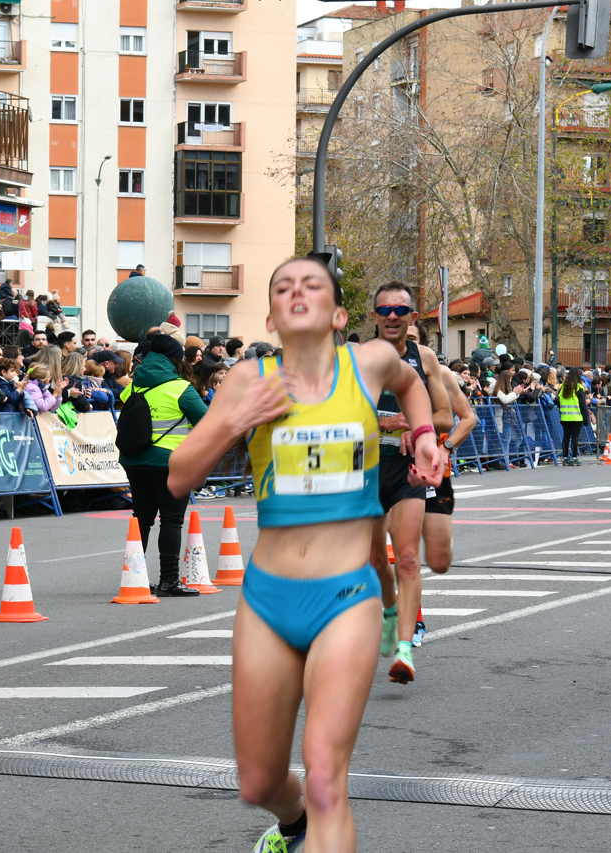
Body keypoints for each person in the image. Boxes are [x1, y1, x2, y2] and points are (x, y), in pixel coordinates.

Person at [166, 258, 442, 853]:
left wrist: (423, 437)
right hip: (267, 600)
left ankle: (315, 820)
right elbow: (179, 476)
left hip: (346, 595)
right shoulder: (249, 380)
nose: (297, 291)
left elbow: (412, 385)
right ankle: (293, 827)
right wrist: (236, 421)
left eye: (311, 285)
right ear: (270, 317)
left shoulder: (370, 362)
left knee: (324, 776)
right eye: (283, 287)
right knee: (259, 780)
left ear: (339, 315)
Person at [368, 281, 451, 684]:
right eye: (385, 310)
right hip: (366, 468)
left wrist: (416, 429)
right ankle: (388, 609)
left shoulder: (425, 358)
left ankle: (404, 649)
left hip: (406, 470)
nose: (392, 317)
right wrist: (384, 422)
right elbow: (339, 412)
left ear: (412, 318)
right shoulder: (357, 359)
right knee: (375, 560)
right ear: (374, 317)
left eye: (400, 311)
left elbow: (446, 416)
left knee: (407, 558)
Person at [117, 333, 207, 595]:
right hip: (170, 463)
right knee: (171, 520)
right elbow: (207, 420)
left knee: (142, 519)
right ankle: (169, 580)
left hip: (134, 461)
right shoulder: (180, 388)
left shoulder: (134, 386)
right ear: (176, 360)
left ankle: (136, 578)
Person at [407, 323, 477, 646]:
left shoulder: (440, 374)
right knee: (404, 552)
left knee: (437, 558)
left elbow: (468, 418)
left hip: (434, 471)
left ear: (424, 345)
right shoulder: (382, 368)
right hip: (397, 469)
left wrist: (446, 448)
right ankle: (412, 620)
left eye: (412, 339)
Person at [558, 367, 593, 465]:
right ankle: (574, 457)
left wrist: (561, 414)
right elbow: (582, 405)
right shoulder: (578, 387)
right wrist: (586, 419)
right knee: (575, 437)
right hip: (576, 417)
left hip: (565, 416)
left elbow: (559, 402)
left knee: (566, 437)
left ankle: (565, 457)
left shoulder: (562, 387)